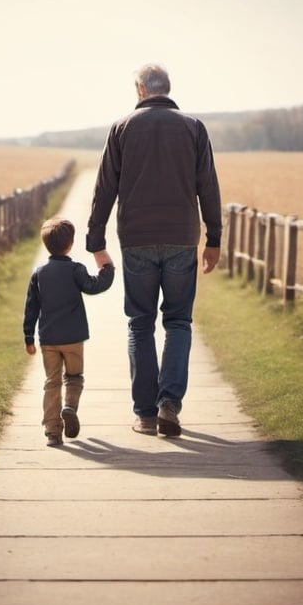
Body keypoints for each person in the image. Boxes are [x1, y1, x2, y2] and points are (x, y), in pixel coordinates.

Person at [86, 64, 221, 438]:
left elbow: (104, 189)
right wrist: (214, 239)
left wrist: (95, 243)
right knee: (178, 322)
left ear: (141, 90)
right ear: (166, 89)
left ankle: (145, 414)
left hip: (136, 239)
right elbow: (207, 185)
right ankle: (169, 405)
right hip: (181, 238)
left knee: (140, 323)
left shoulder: (121, 127)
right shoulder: (193, 127)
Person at [23, 216, 115, 447]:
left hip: (49, 340)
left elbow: (31, 306)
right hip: (74, 338)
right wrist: (108, 269)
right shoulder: (76, 269)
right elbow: (94, 286)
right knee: (74, 378)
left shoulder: (39, 273)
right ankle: (69, 407)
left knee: (52, 381)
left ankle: (53, 431)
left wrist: (28, 337)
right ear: (71, 244)